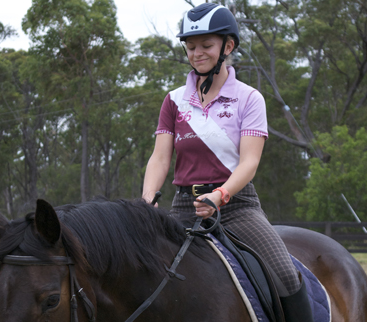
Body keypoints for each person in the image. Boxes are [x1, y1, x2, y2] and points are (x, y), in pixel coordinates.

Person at [142, 3, 313, 321]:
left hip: (236, 208)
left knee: (285, 275)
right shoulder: (173, 101)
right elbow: (160, 157)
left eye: (206, 45)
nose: (197, 53)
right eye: (191, 47)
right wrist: (147, 200)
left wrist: (219, 196)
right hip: (183, 207)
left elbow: (249, 163)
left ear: (228, 46)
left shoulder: (249, 98)